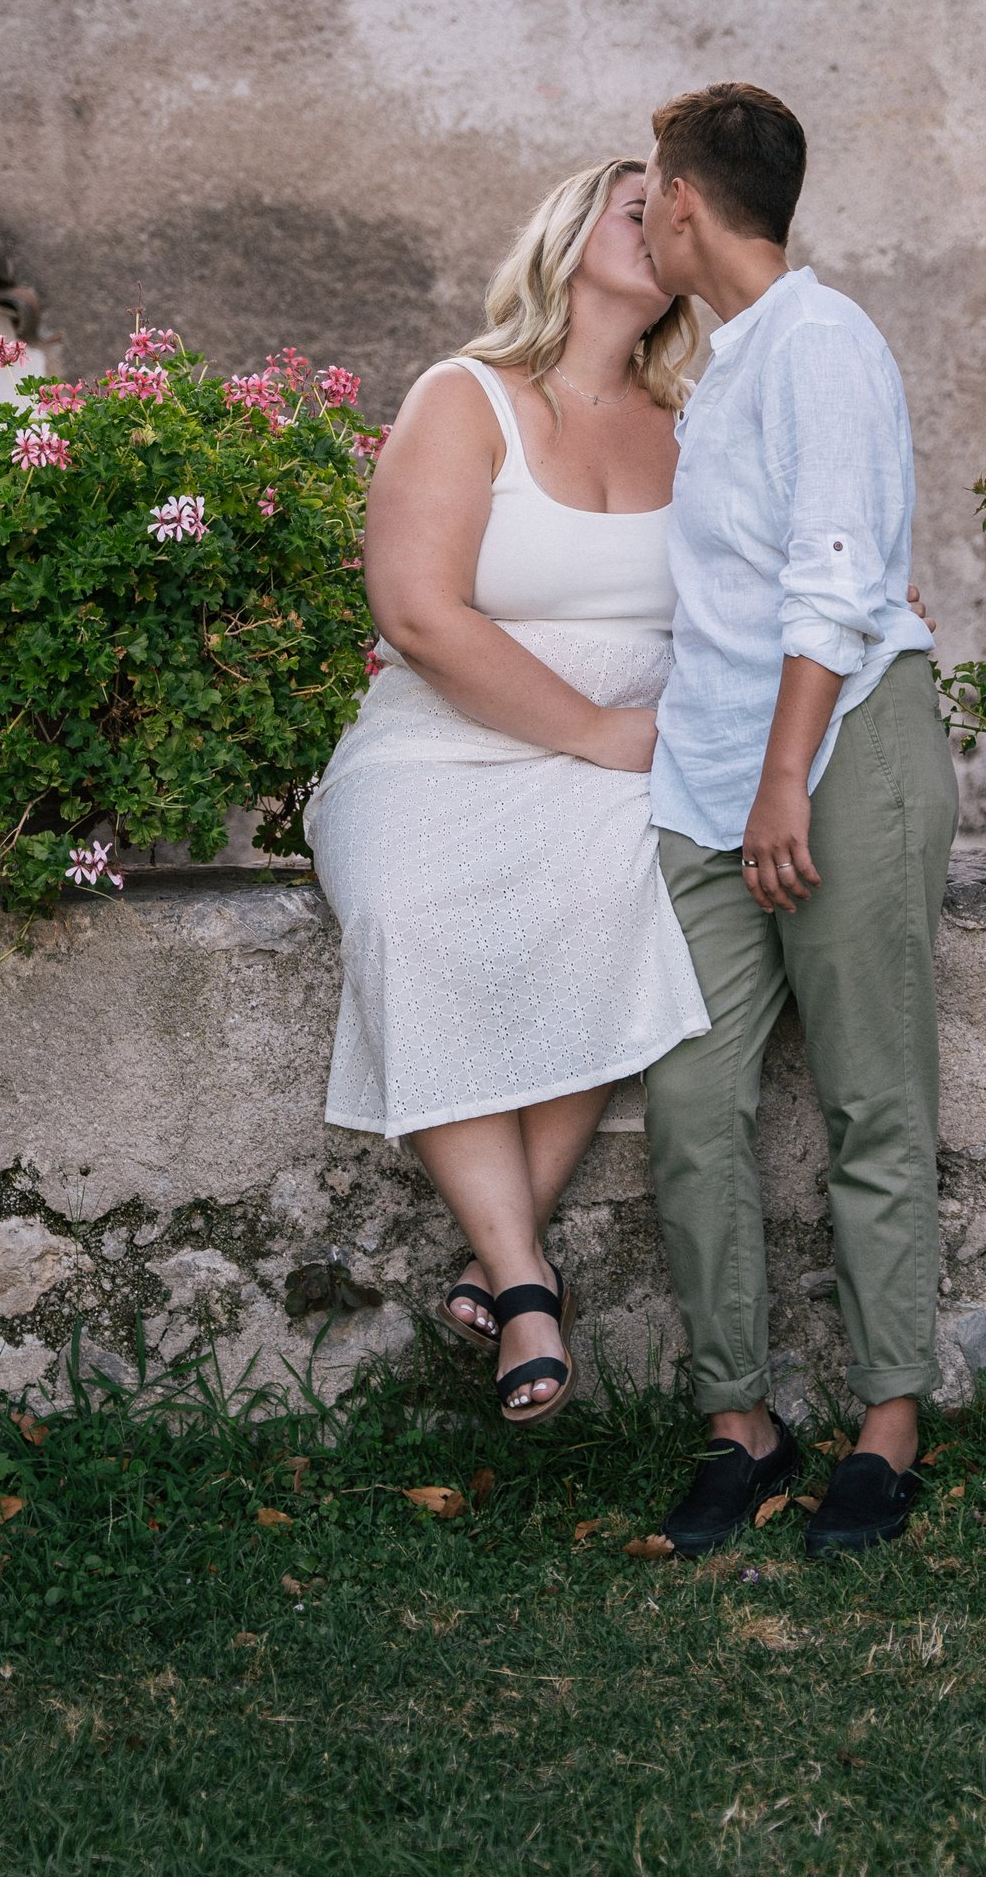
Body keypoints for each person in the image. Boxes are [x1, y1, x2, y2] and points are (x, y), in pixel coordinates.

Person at [305, 160, 710, 1430]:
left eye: (679, 213)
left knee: (617, 892)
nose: (661, 223)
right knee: (407, 913)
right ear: (572, 230)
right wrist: (592, 730)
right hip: (444, 750)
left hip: (622, 766)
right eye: (637, 203)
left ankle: (507, 1272)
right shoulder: (463, 394)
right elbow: (419, 615)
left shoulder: (695, 423)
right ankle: (529, 1271)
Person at [637, 82, 959, 1559]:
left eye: (648, 190)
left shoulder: (820, 343)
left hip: (835, 757)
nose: (641, 213)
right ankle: (742, 1427)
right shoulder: (732, 361)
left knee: (870, 1095)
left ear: (686, 202)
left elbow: (834, 579)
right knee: (696, 1103)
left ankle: (887, 1429)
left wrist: (787, 778)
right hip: (714, 778)